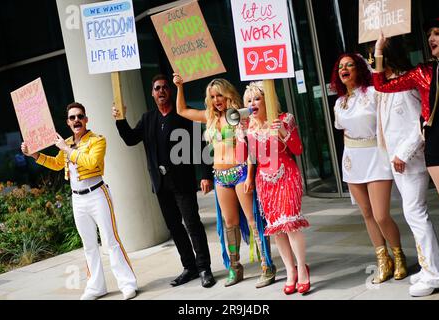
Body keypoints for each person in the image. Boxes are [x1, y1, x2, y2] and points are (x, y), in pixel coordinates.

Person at [21, 102, 137, 300]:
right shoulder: (66, 143)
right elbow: (58, 164)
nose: (77, 120)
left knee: (111, 241)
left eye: (80, 116)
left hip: (98, 194)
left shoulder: (98, 140)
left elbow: (92, 162)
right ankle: (95, 287)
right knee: (89, 244)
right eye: (73, 117)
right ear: (68, 122)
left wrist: (67, 149)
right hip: (78, 198)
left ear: (86, 119)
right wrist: (35, 155)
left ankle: (127, 284)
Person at [112, 74, 216, 288]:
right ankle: (190, 267)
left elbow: (201, 145)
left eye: (164, 88)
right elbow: (131, 139)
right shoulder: (148, 118)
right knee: (174, 227)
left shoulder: (183, 114)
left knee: (193, 225)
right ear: (152, 93)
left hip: (182, 182)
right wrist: (120, 119)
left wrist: (205, 175)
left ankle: (204, 268)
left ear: (170, 91)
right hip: (161, 184)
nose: (161, 91)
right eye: (157, 88)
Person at [173, 74, 276, 288]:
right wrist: (180, 87)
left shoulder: (238, 115)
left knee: (252, 219)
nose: (216, 99)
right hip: (220, 177)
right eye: (212, 96)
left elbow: (252, 144)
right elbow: (182, 110)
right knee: (229, 224)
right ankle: (235, 267)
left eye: (219, 94)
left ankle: (267, 265)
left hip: (239, 171)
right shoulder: (209, 118)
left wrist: (249, 175)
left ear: (228, 95)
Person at [374, 18, 439, 295]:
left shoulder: (412, 82)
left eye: (438, 32)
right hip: (419, 154)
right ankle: (432, 270)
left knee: (416, 213)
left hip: (412, 158)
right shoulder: (419, 74)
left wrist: (403, 153)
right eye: (429, 33)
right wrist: (379, 50)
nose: (431, 38)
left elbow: (418, 124)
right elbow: (380, 85)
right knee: (415, 213)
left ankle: (434, 273)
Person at [330, 53, 407, 284]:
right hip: (353, 160)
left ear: (360, 68)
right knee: (366, 213)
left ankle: (398, 254)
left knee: (381, 215)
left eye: (349, 65)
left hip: (376, 155)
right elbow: (343, 130)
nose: (344, 69)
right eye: (341, 66)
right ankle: (383, 259)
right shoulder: (339, 102)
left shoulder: (374, 92)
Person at [242, 81, 309, 295]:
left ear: (267, 100)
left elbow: (298, 150)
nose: (253, 103)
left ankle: (303, 270)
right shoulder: (247, 127)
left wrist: (284, 132)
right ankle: (290, 271)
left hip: (287, 174)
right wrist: (238, 135)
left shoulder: (284, 119)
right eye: (249, 100)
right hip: (264, 180)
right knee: (277, 229)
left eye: (257, 98)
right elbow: (246, 157)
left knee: (290, 224)